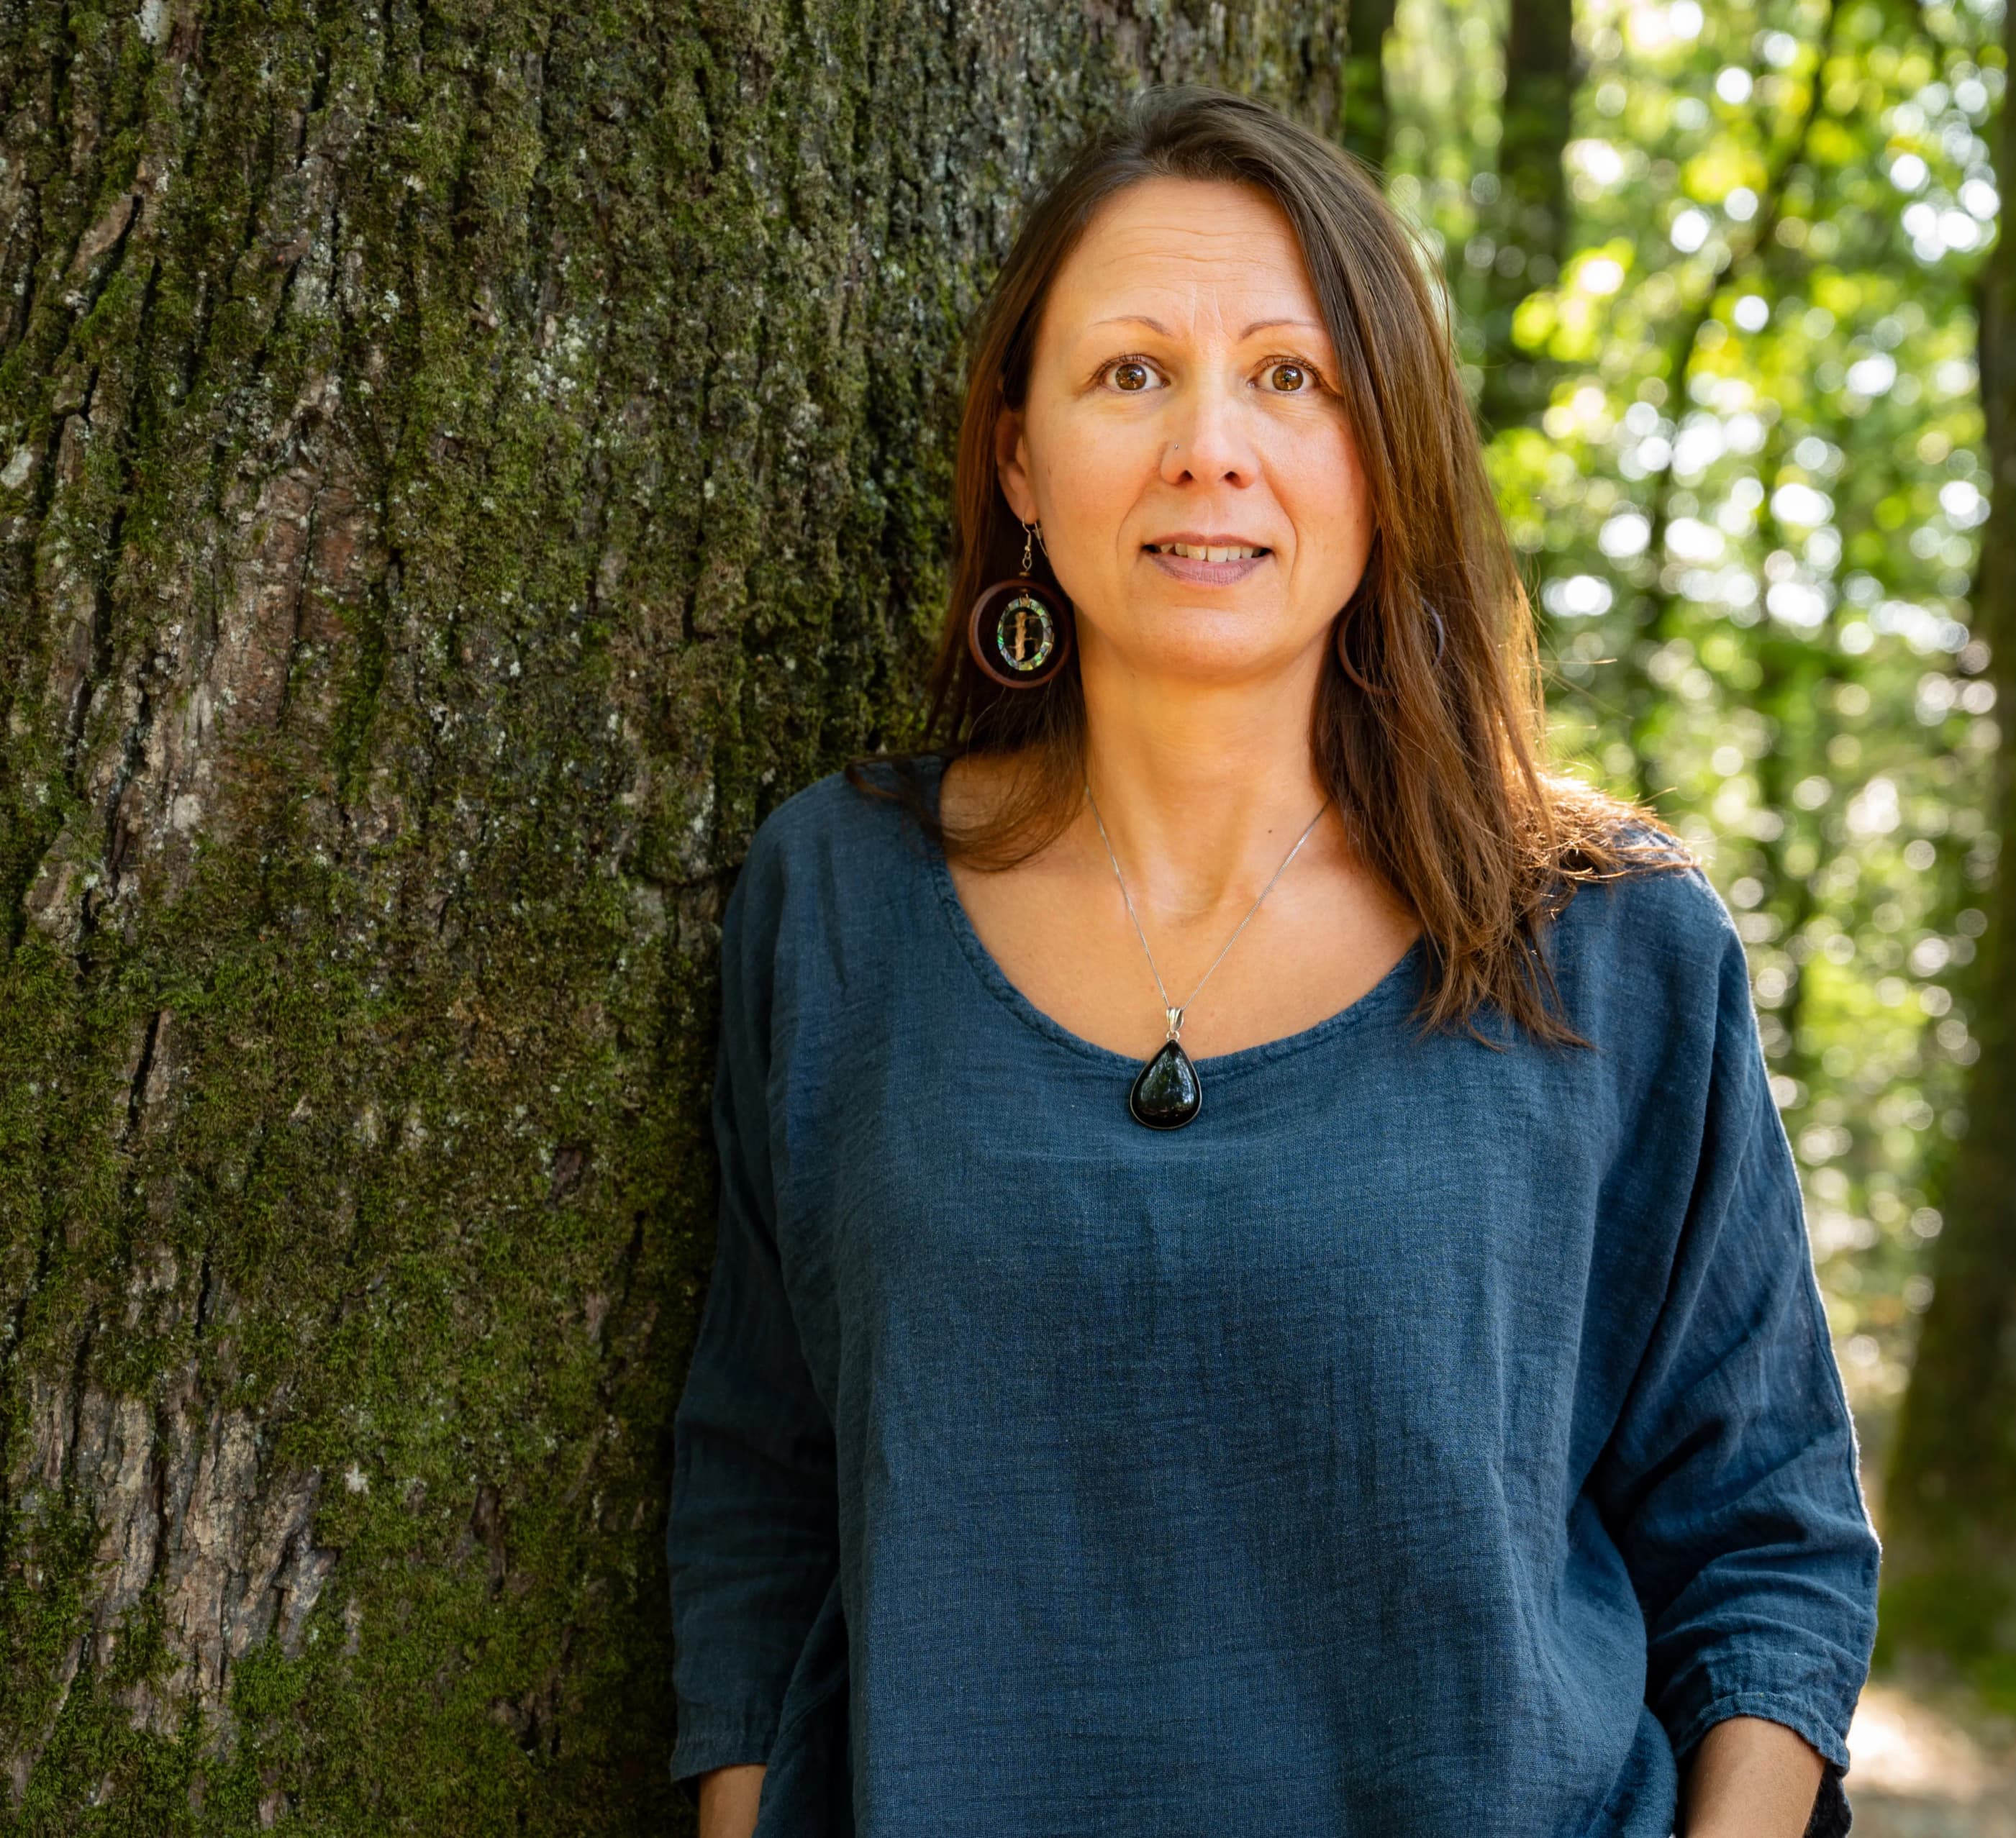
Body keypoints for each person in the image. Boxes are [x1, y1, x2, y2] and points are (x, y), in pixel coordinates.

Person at [664, 83, 1879, 1838]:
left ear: (1384, 450)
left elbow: (1767, 1540)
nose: (1209, 449)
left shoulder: (1609, 944)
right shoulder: (840, 897)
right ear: (1020, 458)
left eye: (1291, 379)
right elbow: (760, 1497)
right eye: (1131, 373)